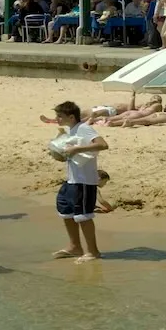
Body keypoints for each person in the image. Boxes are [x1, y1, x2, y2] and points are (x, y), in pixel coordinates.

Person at [46, 101, 109, 264]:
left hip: (84, 182)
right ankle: (75, 247)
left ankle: (93, 252)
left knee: (83, 216)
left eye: (60, 116)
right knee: (65, 210)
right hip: (72, 180)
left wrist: (76, 150)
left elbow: (102, 144)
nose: (57, 119)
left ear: (71, 117)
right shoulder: (72, 130)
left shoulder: (83, 128)